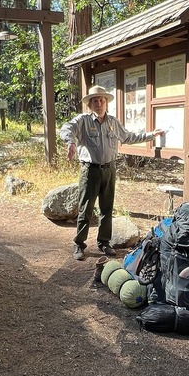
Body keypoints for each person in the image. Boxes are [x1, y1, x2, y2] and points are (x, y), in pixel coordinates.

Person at [59, 84, 163, 260]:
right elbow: (66, 128)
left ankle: (104, 243)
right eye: (95, 101)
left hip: (109, 170)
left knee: (107, 209)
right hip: (90, 171)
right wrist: (71, 142)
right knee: (86, 209)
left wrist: (151, 135)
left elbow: (128, 137)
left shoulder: (113, 122)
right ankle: (79, 244)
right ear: (90, 104)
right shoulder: (83, 121)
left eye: (102, 100)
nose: (99, 103)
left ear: (106, 102)